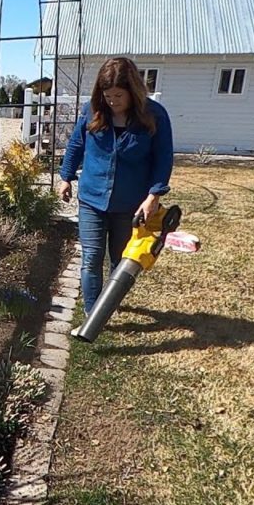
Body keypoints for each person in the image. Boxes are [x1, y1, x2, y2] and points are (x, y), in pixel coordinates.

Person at [56, 57, 174, 314]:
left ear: (133, 91)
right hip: (92, 198)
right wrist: (65, 177)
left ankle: (108, 305)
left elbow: (163, 158)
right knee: (91, 258)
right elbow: (76, 145)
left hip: (130, 203)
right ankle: (92, 313)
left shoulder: (154, 116)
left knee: (120, 261)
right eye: (108, 95)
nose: (112, 101)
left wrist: (154, 194)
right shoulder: (92, 111)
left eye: (118, 95)